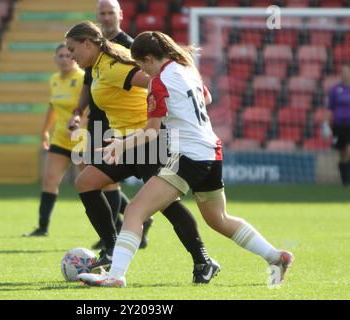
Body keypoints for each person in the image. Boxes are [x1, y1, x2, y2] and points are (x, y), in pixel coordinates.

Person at [78, 31, 294, 287]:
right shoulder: (187, 68)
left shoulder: (159, 83)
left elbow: (151, 131)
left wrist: (121, 144)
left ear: (147, 59)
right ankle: (275, 256)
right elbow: (206, 97)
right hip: (211, 151)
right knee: (218, 219)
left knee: (135, 210)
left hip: (188, 156)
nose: (142, 70)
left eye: (140, 64)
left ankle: (115, 276)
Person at [65, 21, 220, 284]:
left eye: (73, 49)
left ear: (88, 43)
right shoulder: (100, 63)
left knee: (167, 206)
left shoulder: (114, 65)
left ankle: (202, 260)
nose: (72, 56)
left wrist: (152, 117)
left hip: (148, 141)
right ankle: (113, 250)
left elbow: (154, 80)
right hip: (125, 141)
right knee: (86, 182)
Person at [68, 0, 153, 250]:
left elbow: (147, 80)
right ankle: (118, 232)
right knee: (92, 176)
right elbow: (87, 85)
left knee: (107, 180)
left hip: (122, 126)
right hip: (98, 119)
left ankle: (114, 236)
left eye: (110, 12)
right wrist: (77, 112)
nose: (106, 17)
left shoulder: (127, 45)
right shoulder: (90, 53)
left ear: (120, 15)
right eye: (101, 13)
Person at [23, 44, 87, 236]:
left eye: (68, 55)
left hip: (82, 139)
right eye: (60, 56)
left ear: (74, 58)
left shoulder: (83, 78)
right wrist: (45, 130)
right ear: (55, 59)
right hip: (60, 138)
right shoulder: (54, 80)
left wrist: (80, 127)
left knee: (94, 183)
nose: (65, 59)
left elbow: (90, 107)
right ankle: (42, 228)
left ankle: (123, 221)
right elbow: (53, 107)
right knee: (50, 180)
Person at [327, 64, 350, 186]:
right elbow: (329, 109)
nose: (344, 75)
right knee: (342, 153)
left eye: (347, 72)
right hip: (339, 125)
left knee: (348, 150)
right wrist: (325, 125)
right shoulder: (335, 90)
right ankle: (345, 181)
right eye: (343, 72)